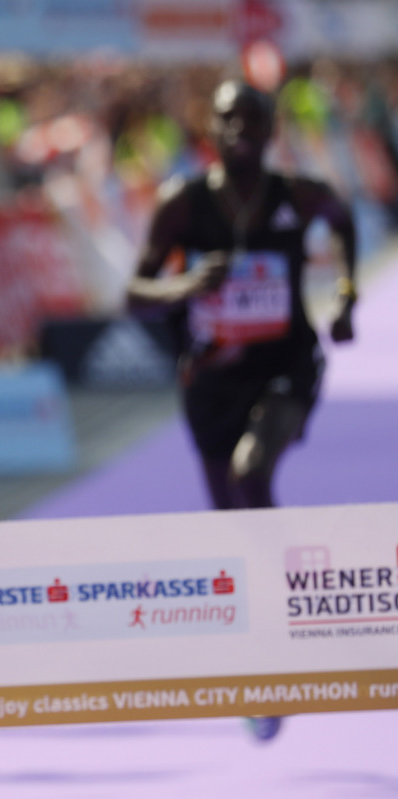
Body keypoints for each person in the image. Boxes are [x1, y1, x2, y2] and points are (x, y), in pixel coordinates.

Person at [127, 80, 358, 742]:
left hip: (286, 364)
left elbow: (343, 220)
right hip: (210, 378)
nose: (241, 129)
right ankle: (265, 664)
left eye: (253, 118)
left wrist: (343, 293)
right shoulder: (183, 204)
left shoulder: (297, 194)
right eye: (229, 118)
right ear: (215, 127)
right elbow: (135, 295)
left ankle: (294, 610)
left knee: (252, 472)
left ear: (271, 126)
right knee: (231, 524)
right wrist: (184, 284)